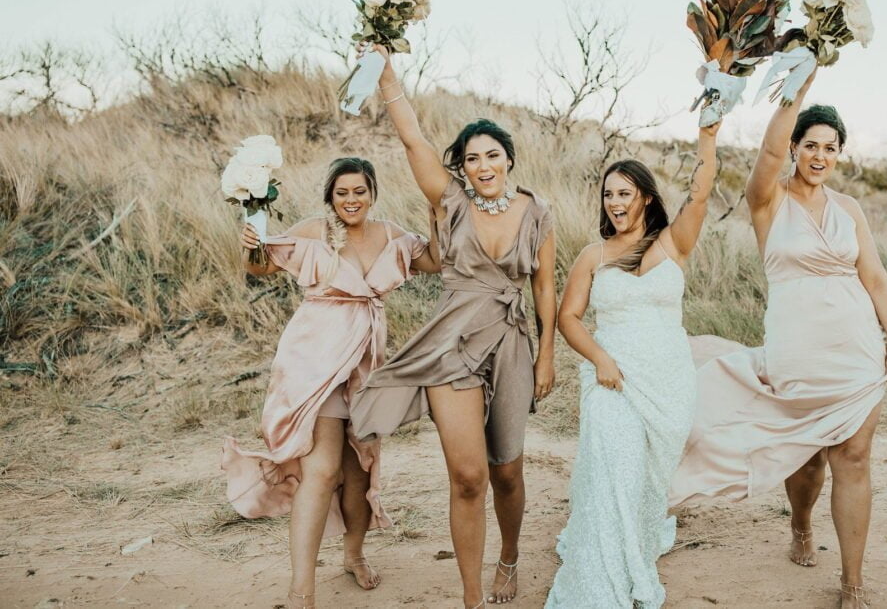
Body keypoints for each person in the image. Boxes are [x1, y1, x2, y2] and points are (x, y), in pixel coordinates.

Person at [669, 75, 887, 609]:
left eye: (831, 147)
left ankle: (852, 584)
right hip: (797, 351)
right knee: (806, 458)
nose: (820, 156)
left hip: (856, 351)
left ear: (840, 154)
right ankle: (801, 524)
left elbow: (875, 277)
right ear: (795, 148)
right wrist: (799, 85)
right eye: (811, 145)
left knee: (853, 458)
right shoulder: (768, 200)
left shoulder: (850, 209)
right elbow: (769, 152)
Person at [349, 46, 557, 608]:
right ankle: (471, 597)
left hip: (510, 343)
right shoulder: (452, 202)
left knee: (506, 471)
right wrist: (386, 73)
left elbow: (545, 288)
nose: (483, 167)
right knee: (468, 477)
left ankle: (508, 557)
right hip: (451, 344)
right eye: (472, 159)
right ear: (461, 167)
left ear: (509, 160)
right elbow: (413, 139)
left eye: (492, 156)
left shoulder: (538, 212)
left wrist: (546, 355)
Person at [221, 157, 439, 609]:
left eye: (359, 191)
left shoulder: (390, 234)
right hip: (315, 361)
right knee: (321, 470)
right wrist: (250, 245)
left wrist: (439, 210)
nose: (351, 200)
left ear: (372, 194)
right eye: (342, 193)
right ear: (330, 197)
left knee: (359, 472)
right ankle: (301, 589)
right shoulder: (313, 231)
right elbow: (260, 267)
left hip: (364, 366)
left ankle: (354, 554)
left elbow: (435, 261)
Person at [545, 120, 722, 608]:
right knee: (615, 467)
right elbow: (568, 318)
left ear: (645, 197)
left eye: (624, 193)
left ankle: (634, 544)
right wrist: (600, 358)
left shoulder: (673, 243)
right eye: (608, 195)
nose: (614, 202)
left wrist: (708, 135)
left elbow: (700, 194)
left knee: (645, 479)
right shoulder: (594, 255)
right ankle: (602, 579)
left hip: (667, 384)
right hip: (613, 380)